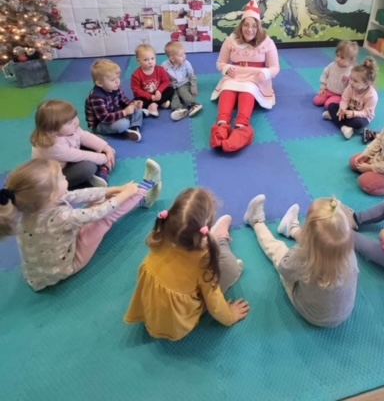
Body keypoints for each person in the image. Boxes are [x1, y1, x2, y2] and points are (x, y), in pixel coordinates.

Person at [0, 158, 161, 291]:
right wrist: (126, 193)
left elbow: (78, 195)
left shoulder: (26, 206)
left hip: (37, 272)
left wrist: (115, 189)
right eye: (61, 177)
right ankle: (144, 191)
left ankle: (139, 197)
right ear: (51, 195)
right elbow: (100, 212)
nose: (65, 177)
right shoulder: (60, 217)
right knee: (103, 218)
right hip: (65, 266)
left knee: (95, 202)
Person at [124, 188, 249, 340]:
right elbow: (215, 304)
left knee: (218, 265)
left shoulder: (159, 235)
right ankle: (220, 238)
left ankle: (218, 237)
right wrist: (230, 316)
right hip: (178, 326)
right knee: (231, 268)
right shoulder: (203, 261)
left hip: (151, 314)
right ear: (204, 230)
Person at [243, 194, 358, 327]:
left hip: (312, 315)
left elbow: (284, 269)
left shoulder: (303, 261)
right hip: (343, 313)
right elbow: (322, 245)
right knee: (322, 245)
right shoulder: (347, 252)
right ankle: (291, 228)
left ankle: (255, 222)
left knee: (278, 250)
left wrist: (300, 249)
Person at [210, 0, 280, 152]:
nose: (250, 29)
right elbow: (220, 62)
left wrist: (265, 73)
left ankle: (241, 127)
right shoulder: (231, 40)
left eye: (254, 26)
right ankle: (222, 124)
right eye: (246, 25)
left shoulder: (267, 42)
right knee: (227, 90)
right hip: (235, 75)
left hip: (255, 78)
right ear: (241, 26)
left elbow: (275, 68)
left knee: (247, 91)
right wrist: (226, 69)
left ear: (258, 27)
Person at [31, 99, 115, 189]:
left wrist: (107, 148)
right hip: (56, 176)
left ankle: (99, 171)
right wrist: (105, 159)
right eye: (70, 122)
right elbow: (81, 155)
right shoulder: (54, 146)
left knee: (98, 140)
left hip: (68, 158)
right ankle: (95, 175)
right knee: (87, 168)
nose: (76, 122)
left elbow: (85, 136)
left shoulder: (69, 129)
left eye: (75, 117)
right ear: (53, 129)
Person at [85, 58, 143, 142]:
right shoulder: (97, 97)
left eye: (118, 77)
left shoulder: (115, 87)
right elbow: (104, 118)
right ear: (100, 83)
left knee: (138, 111)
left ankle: (134, 128)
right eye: (113, 80)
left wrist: (133, 104)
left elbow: (123, 99)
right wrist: (125, 112)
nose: (117, 82)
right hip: (100, 123)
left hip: (116, 113)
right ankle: (126, 130)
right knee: (123, 124)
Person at [325, 57, 378, 139]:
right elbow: (345, 99)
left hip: (361, 116)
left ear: (367, 83)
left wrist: (354, 113)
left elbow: (367, 113)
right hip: (349, 110)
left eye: (355, 81)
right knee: (331, 106)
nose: (351, 82)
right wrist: (342, 108)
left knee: (358, 123)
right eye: (351, 79)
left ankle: (334, 118)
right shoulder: (351, 87)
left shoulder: (372, 96)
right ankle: (344, 127)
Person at [162, 40, 203, 121]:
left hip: (184, 83)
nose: (184, 56)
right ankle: (179, 109)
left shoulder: (186, 64)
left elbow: (192, 76)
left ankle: (193, 105)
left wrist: (193, 87)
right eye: (181, 55)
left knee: (182, 91)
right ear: (172, 58)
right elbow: (162, 79)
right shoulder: (164, 66)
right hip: (172, 85)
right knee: (173, 95)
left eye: (184, 53)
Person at [130, 44, 174, 118]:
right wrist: (150, 96)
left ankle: (155, 104)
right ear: (139, 61)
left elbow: (166, 81)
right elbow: (136, 90)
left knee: (171, 89)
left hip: (158, 94)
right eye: (146, 60)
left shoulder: (160, 69)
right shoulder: (136, 75)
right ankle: (159, 103)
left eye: (152, 58)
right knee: (135, 102)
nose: (150, 62)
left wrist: (159, 91)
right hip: (145, 97)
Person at [313, 40, 358, 108]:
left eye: (342, 57)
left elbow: (351, 87)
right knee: (316, 101)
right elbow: (324, 75)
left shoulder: (351, 71)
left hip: (339, 95)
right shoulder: (332, 65)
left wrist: (347, 98)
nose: (338, 59)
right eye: (337, 55)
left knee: (328, 105)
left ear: (351, 60)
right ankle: (327, 98)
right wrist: (323, 88)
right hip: (328, 90)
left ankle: (333, 100)